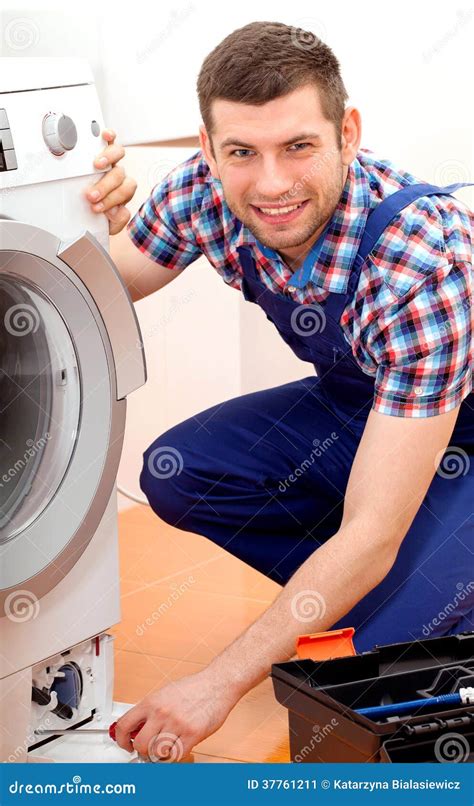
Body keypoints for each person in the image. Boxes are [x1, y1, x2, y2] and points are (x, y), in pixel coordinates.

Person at [84, 21, 473, 761]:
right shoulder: (206, 192)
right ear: (210, 150)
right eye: (242, 152)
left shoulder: (419, 261)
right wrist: (76, 209)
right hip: (370, 409)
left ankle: (417, 590)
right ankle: (378, 586)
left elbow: (370, 530)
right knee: (183, 470)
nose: (270, 184)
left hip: (464, 431)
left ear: (346, 133)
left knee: (376, 671)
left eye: (297, 146)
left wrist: (220, 681)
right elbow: (98, 286)